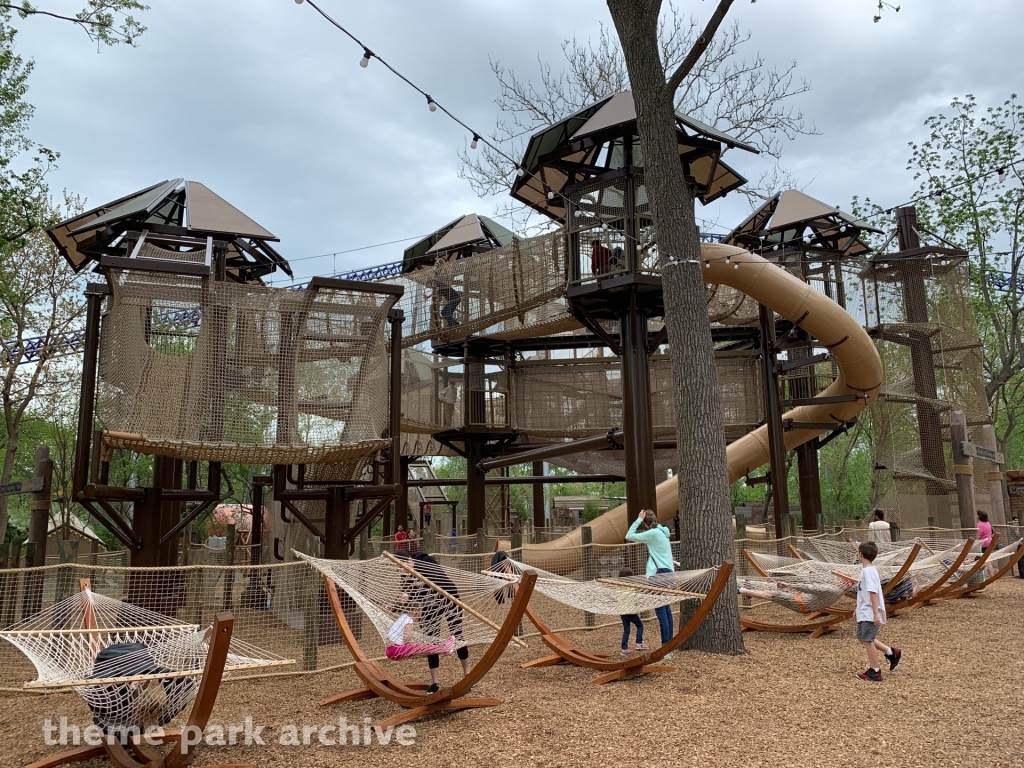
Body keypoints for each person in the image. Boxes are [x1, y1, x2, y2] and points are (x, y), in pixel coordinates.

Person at [395, 551, 470, 693]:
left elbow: (435, 580)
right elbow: (409, 594)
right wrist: (403, 597)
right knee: (431, 640)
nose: (400, 570)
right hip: (431, 605)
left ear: (409, 560)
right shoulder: (405, 575)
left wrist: (412, 577)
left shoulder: (425, 561)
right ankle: (435, 683)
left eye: (401, 566)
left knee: (457, 634)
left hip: (450, 598)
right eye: (398, 568)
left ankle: (468, 675)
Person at [625, 509, 675, 653]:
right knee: (666, 609)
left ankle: (665, 646)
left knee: (661, 611)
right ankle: (669, 644)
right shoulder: (663, 532)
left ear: (646, 523)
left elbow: (629, 535)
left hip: (657, 575)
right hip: (668, 572)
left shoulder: (652, 534)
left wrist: (638, 519)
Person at [855, 541, 901, 682]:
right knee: (861, 637)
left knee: (868, 640)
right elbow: (864, 593)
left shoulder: (868, 572)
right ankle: (891, 652)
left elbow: (873, 593)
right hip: (864, 610)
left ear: (861, 554)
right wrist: (857, 608)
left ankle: (875, 670)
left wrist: (875, 614)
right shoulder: (867, 570)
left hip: (869, 612)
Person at [385, 610, 456, 661]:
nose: (421, 613)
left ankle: (444, 648)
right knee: (421, 648)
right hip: (396, 651)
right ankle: (445, 648)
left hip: (390, 651)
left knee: (420, 647)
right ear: (415, 610)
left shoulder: (403, 616)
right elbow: (407, 640)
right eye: (420, 610)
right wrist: (413, 646)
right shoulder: (409, 621)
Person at [616, 567, 647, 655]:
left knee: (626, 630)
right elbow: (637, 593)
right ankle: (639, 643)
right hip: (630, 611)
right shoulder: (631, 587)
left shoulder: (619, 587)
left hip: (623, 612)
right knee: (640, 625)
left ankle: (624, 648)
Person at [977, 511, 995, 579]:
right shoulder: (988, 523)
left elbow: (978, 535)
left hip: (983, 543)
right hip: (989, 542)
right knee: (988, 560)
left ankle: (984, 577)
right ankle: (992, 576)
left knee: (984, 561)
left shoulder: (980, 525)